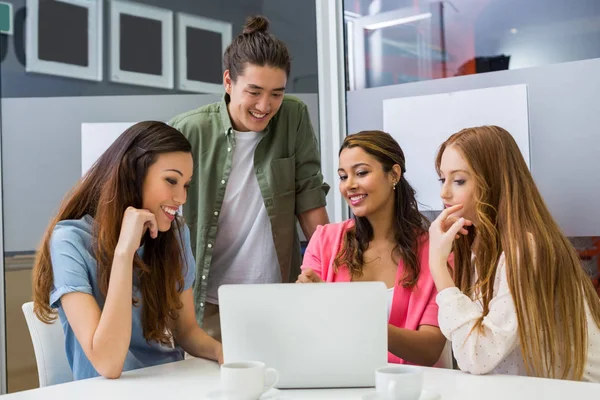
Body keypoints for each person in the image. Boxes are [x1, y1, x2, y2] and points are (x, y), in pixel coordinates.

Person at [169, 15, 329, 338]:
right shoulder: (188, 131)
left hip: (280, 296)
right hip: (209, 301)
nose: (265, 105)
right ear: (228, 82)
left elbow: (310, 199)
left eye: (276, 94)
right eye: (254, 92)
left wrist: (333, 275)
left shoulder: (293, 117)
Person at [32, 121, 223, 380]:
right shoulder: (70, 241)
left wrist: (224, 353)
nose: (181, 198)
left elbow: (186, 330)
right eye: (171, 181)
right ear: (134, 174)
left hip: (171, 384)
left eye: (186, 185)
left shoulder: (175, 234)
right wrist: (124, 253)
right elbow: (108, 364)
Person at [429, 125, 600, 381]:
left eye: (459, 180)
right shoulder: (479, 246)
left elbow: (477, 354)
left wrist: (438, 266)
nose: (444, 193)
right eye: (443, 179)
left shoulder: (525, 249)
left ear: (493, 182)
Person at [297, 131, 447, 366]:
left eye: (361, 173)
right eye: (343, 176)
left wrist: (349, 315)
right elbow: (307, 333)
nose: (350, 185)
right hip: (342, 383)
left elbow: (429, 350)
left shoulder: (435, 249)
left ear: (394, 174)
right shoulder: (325, 240)